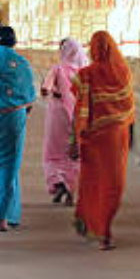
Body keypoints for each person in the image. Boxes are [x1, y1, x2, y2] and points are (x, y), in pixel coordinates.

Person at [69, 32, 135, 251]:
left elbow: (78, 108)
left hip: (92, 137)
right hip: (117, 136)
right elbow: (129, 108)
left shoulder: (85, 74)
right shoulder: (123, 72)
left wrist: (73, 138)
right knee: (113, 184)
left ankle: (93, 225)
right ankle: (105, 230)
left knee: (92, 183)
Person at [0, 25, 35, 230]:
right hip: (16, 117)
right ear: (15, 42)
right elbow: (29, 96)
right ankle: (5, 216)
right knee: (11, 164)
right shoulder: (23, 63)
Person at [41, 38, 86, 205]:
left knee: (53, 151)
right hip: (78, 115)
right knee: (74, 152)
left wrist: (47, 89)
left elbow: (45, 88)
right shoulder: (84, 71)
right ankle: (71, 190)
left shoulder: (57, 68)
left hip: (57, 114)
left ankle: (58, 182)